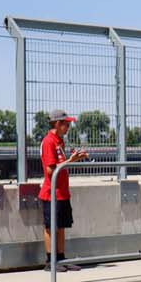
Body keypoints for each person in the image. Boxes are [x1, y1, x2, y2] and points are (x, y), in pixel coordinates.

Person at [38, 110, 87, 266]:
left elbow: (61, 164)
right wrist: (71, 160)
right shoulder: (48, 142)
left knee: (61, 226)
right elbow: (51, 170)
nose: (68, 127)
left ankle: (61, 259)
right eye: (66, 124)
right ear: (58, 124)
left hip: (62, 192)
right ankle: (50, 261)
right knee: (51, 227)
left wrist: (75, 159)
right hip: (51, 193)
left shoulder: (59, 141)